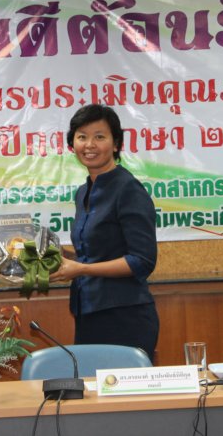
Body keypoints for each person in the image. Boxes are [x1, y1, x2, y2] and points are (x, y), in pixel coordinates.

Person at [50, 104, 159, 361]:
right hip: (87, 312)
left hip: (125, 315)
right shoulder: (83, 192)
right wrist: (60, 255)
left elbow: (142, 260)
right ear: (72, 144)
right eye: (82, 136)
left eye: (99, 136)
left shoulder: (128, 189)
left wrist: (81, 269)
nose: (90, 145)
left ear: (116, 143)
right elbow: (94, 255)